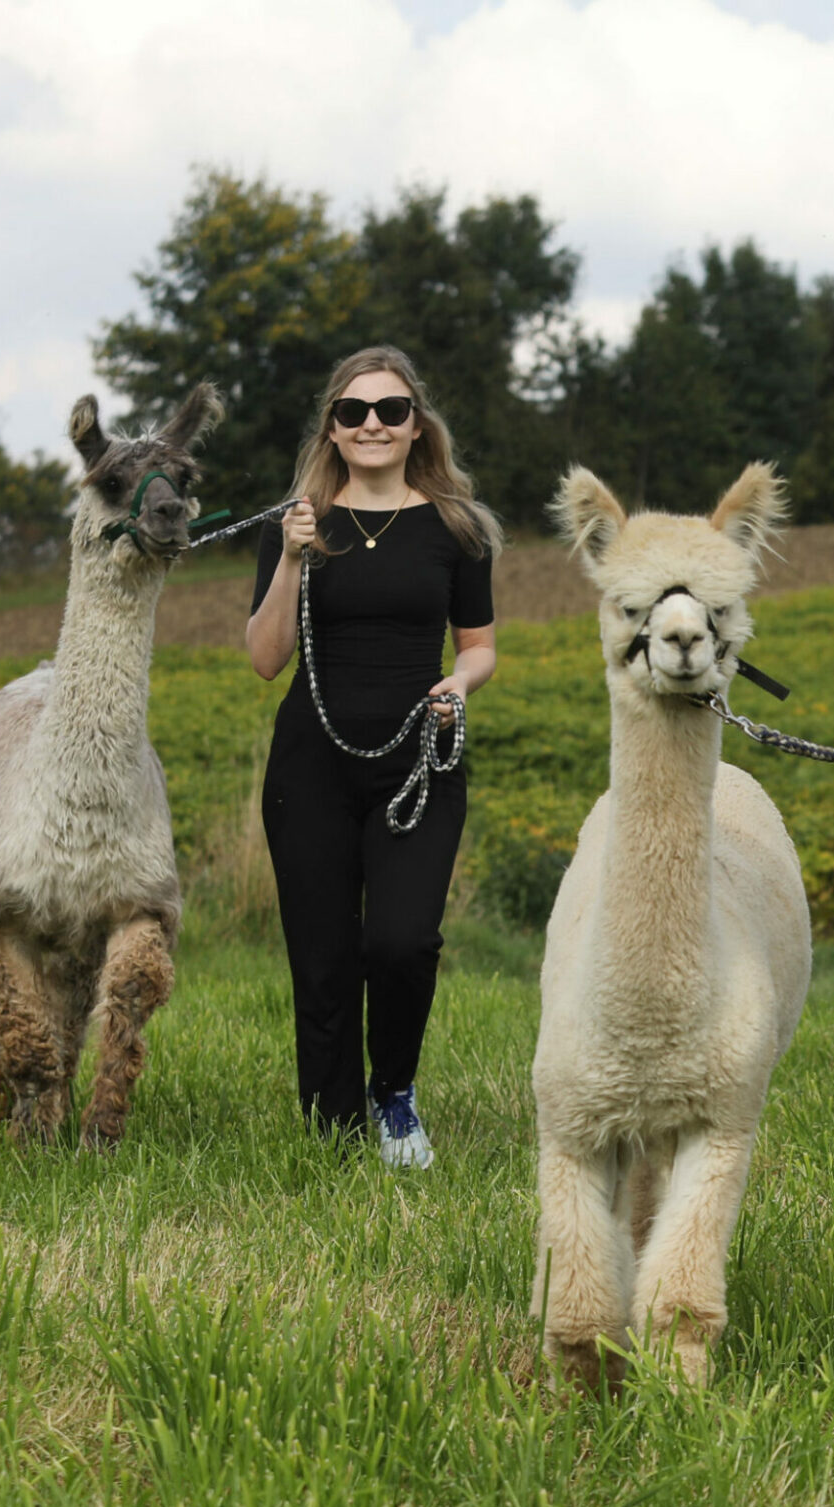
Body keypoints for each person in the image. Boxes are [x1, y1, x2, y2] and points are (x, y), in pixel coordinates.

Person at [245, 346, 501, 1169]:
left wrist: (459, 682)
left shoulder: (457, 527)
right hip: (310, 770)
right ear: (333, 427)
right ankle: (332, 1133)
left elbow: (480, 647)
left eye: (390, 410)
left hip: (417, 764)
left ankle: (394, 1094)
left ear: (416, 425)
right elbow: (263, 657)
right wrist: (291, 557)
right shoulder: (299, 524)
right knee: (321, 961)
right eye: (354, 412)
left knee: (400, 941)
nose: (373, 426)